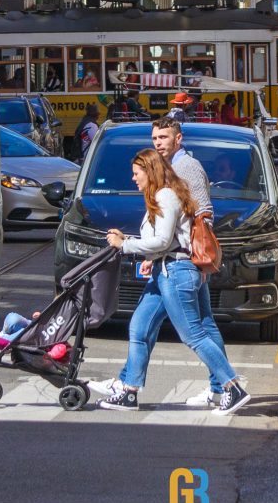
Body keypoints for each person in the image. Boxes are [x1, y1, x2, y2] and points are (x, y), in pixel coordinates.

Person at [96, 149, 249, 416]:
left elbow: (163, 240)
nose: (133, 179)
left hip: (176, 274)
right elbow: (165, 241)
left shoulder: (165, 195)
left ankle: (232, 387)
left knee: (194, 335)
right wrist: (148, 254)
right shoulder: (167, 193)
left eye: (136, 173)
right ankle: (129, 391)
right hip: (168, 270)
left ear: (150, 171)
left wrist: (126, 245)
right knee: (140, 328)